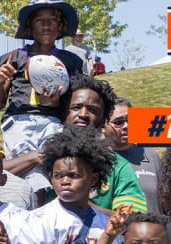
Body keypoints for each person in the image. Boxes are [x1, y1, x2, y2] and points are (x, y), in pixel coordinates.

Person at [0, 0, 86, 159]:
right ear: (29, 25)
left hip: (54, 123)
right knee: (26, 167)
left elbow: (77, 103)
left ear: (60, 25)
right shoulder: (13, 58)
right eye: (40, 20)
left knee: (54, 165)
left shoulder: (70, 61)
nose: (46, 25)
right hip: (18, 122)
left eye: (52, 20)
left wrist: (57, 103)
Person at [56, 76, 147, 213]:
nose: (83, 114)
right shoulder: (44, 157)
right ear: (64, 112)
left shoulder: (118, 166)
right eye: (76, 107)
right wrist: (34, 158)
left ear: (103, 119)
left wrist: (80, 203)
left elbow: (133, 219)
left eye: (92, 110)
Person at [105, 98, 162, 213]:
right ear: (102, 126)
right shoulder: (96, 160)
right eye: (118, 122)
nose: (126, 125)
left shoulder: (150, 155)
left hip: (154, 228)